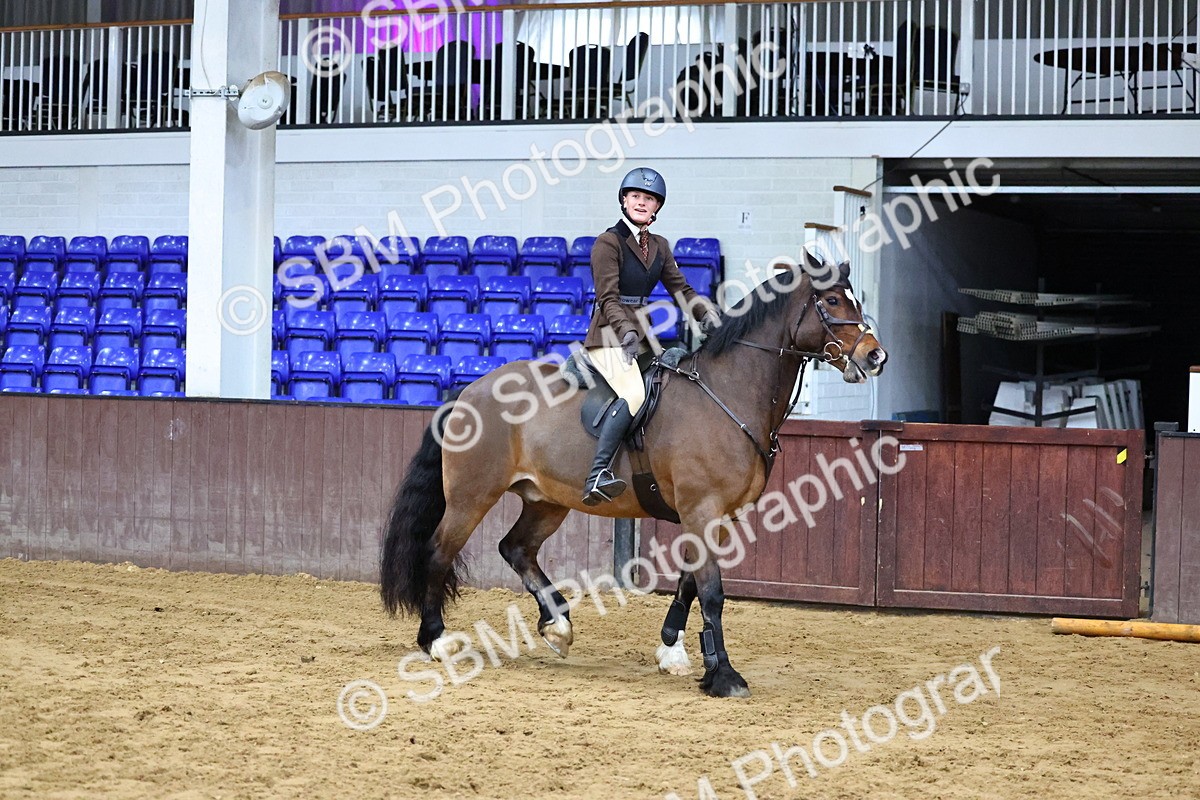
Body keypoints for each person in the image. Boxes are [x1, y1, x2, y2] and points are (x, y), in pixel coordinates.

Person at [580, 166, 720, 506]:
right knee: (633, 394)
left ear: (657, 206)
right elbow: (608, 298)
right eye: (636, 196)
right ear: (624, 200)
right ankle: (597, 474)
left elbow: (681, 289)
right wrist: (626, 331)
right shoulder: (608, 242)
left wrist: (707, 316)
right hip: (608, 337)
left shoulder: (659, 246)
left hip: (642, 339)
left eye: (649, 198)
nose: (642, 202)